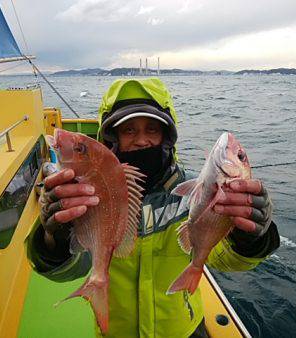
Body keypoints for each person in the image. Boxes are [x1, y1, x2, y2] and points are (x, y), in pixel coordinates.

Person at [27, 78, 280, 338]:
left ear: (166, 136)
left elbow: (224, 259)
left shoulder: (193, 191)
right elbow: (73, 269)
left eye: (152, 130)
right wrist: (54, 238)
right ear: (112, 138)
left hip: (184, 331)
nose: (141, 140)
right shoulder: (89, 195)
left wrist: (250, 235)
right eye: (128, 130)